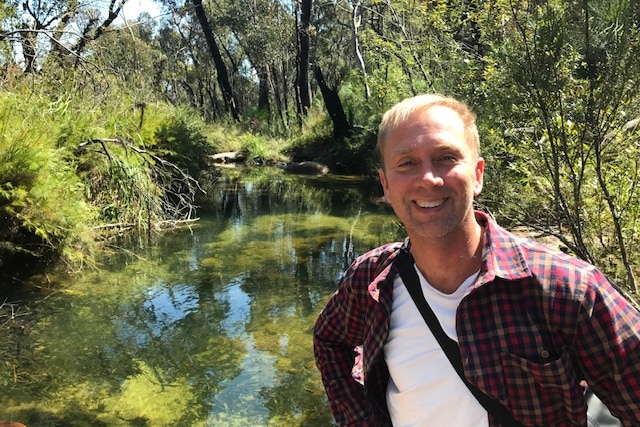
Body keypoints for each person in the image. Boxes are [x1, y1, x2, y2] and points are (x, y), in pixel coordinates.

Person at [313, 94, 640, 426]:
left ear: (478, 174)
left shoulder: (567, 289)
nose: (428, 179)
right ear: (385, 184)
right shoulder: (370, 280)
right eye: (407, 163)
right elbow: (329, 341)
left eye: (446, 157)